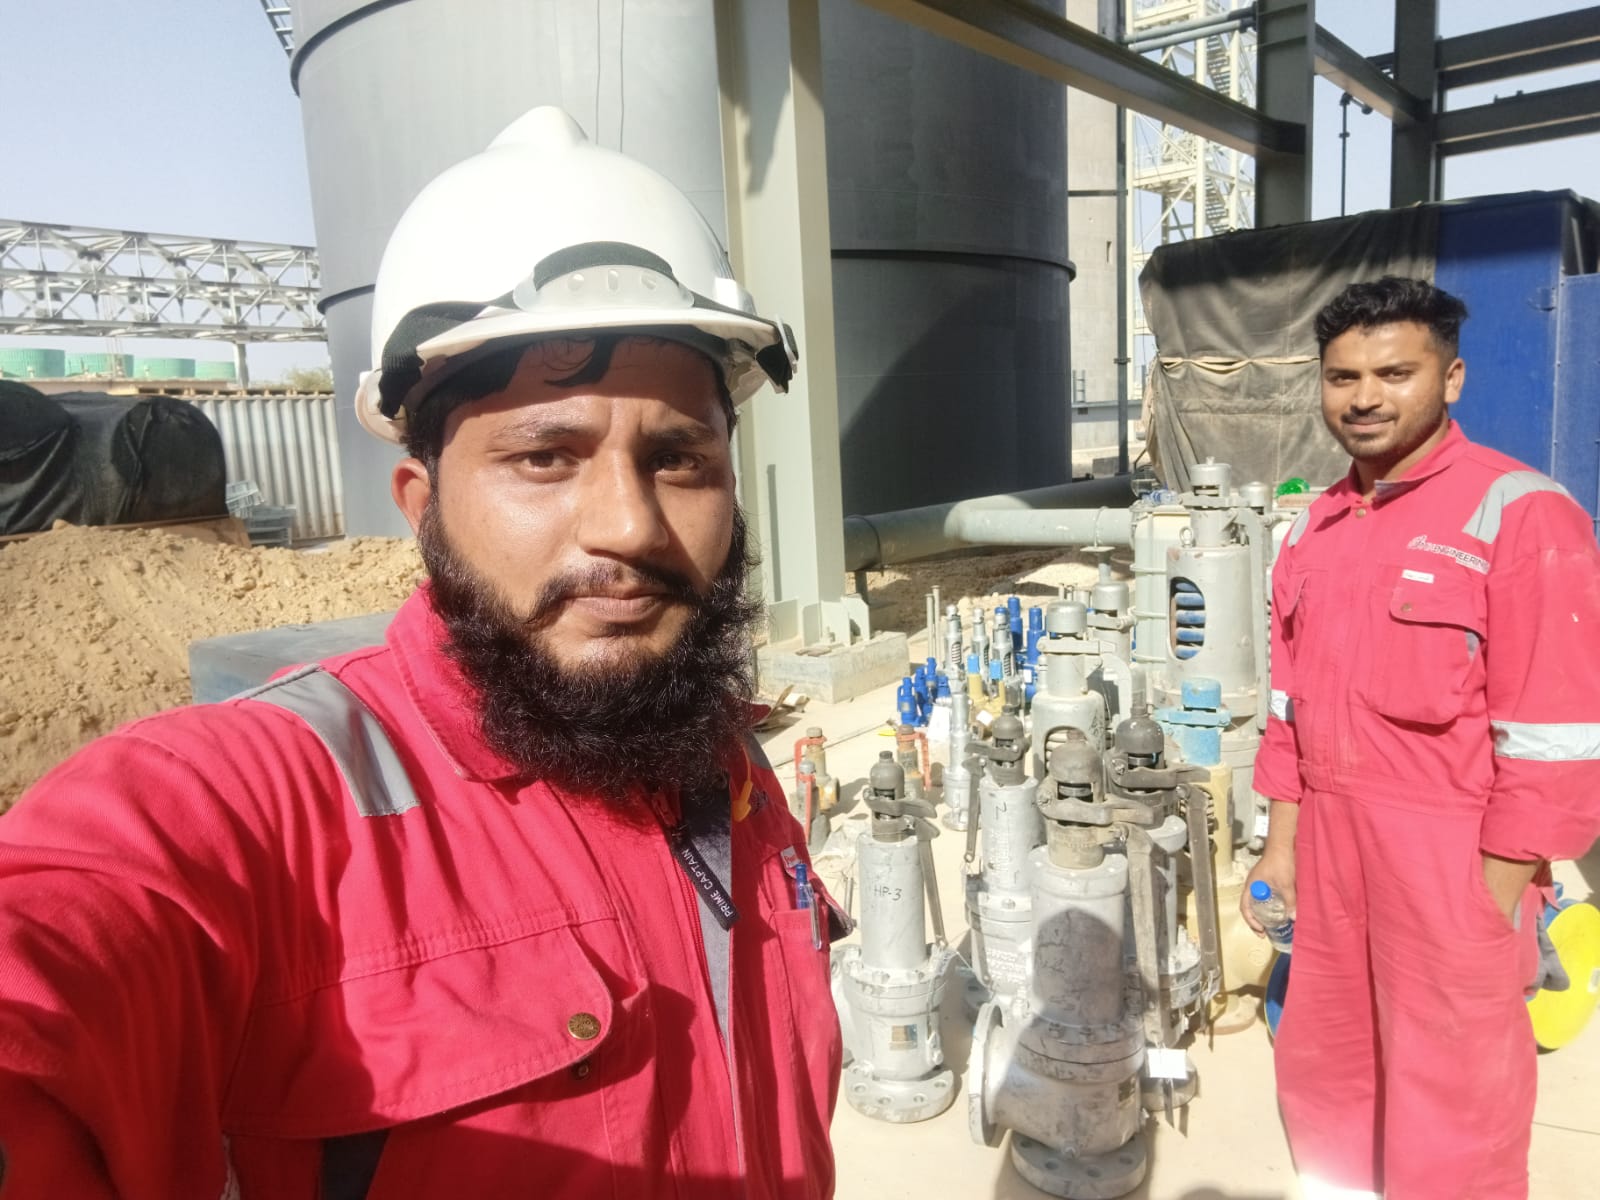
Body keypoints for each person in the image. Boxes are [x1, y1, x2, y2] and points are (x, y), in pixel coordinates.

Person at [0, 107, 845, 1200]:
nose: (631, 527)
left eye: (678, 460)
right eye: (545, 457)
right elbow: (61, 946)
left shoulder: (715, 755)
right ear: (421, 503)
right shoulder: (271, 803)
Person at [1246, 275, 1600, 1200]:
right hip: (1328, 849)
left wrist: (1490, 901)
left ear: (1451, 378)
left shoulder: (1523, 514)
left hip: (1452, 859)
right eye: (1342, 377)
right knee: (1327, 1067)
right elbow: (1288, 710)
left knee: (1453, 1099)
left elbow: (1556, 745)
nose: (1364, 397)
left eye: (1394, 373)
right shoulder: (1312, 527)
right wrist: (1280, 851)